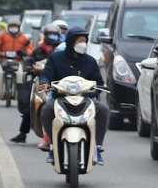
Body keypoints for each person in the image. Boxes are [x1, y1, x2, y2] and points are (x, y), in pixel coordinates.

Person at [39, 26, 109, 165]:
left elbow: (98, 82)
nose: (82, 43)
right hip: (60, 98)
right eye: (79, 40)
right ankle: (53, 146)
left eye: (84, 40)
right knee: (46, 109)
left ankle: (97, 147)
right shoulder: (55, 58)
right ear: (71, 41)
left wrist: (95, 90)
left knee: (103, 109)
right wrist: (45, 83)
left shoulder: (90, 61)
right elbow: (46, 74)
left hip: (85, 99)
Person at [10, 23, 62, 143]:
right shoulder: (38, 50)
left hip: (58, 80)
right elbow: (30, 60)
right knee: (30, 103)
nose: (52, 37)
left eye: (55, 34)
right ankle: (23, 133)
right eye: (50, 34)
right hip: (39, 80)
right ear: (45, 35)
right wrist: (28, 66)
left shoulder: (61, 50)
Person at [0, 17, 32, 93]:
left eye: (15, 26)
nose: (13, 28)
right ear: (8, 27)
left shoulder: (23, 37)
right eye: (12, 26)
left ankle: (23, 88)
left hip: (18, 60)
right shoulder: (2, 35)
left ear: (18, 27)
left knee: (26, 72)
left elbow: (29, 47)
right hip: (3, 59)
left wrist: (26, 52)